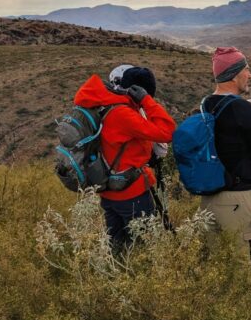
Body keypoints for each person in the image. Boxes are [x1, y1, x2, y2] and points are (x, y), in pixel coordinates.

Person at [73, 65, 176, 250]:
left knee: (118, 247)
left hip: (108, 191)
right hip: (132, 194)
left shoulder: (104, 105)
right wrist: (147, 101)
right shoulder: (123, 114)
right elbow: (168, 131)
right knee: (144, 247)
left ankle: (119, 275)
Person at [200, 47, 251, 269]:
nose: (250, 75)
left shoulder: (205, 103)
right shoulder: (241, 107)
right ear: (234, 74)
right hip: (239, 197)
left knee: (219, 264)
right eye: (246, 70)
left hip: (209, 197)